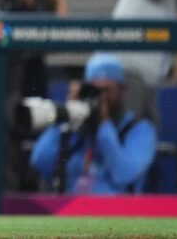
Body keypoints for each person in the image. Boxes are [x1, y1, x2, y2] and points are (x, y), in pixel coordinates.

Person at [30, 54, 157, 193]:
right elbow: (40, 162)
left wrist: (104, 124)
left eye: (106, 90)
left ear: (122, 90)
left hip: (117, 211)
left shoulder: (139, 130)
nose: (101, 98)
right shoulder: (74, 128)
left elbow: (124, 175)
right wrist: (66, 117)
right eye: (94, 91)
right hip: (69, 209)